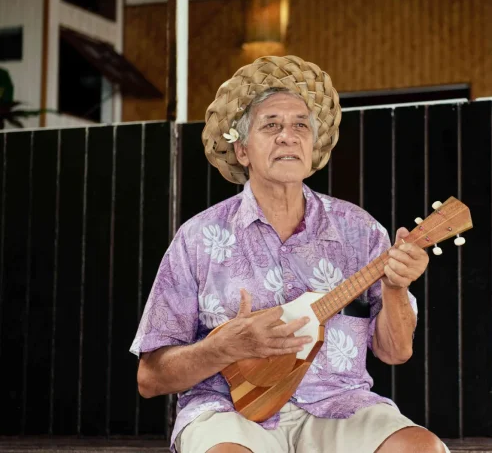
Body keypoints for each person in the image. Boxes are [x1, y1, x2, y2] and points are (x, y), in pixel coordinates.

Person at [131, 56, 448, 453]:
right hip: (232, 411)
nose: (288, 135)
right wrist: (224, 347)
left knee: (421, 449)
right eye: (271, 125)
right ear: (243, 151)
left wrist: (396, 287)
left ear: (312, 147)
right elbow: (149, 378)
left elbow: (396, 352)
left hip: (338, 404)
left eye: (300, 125)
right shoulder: (198, 238)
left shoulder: (360, 229)